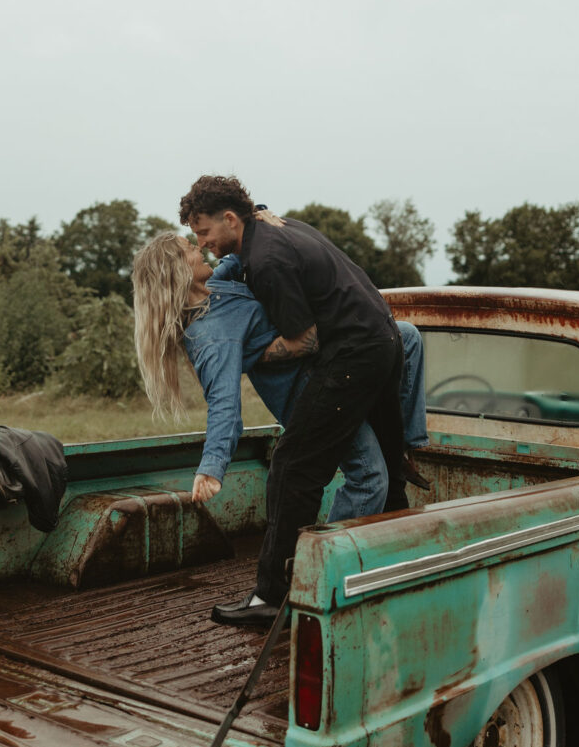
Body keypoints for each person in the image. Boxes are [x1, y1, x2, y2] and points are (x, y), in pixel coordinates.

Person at [133, 226, 427, 625]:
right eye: (190, 248)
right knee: (368, 476)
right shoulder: (208, 336)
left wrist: (261, 216)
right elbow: (222, 403)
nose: (200, 247)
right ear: (176, 272)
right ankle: (318, 576)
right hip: (311, 397)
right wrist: (212, 465)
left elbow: (247, 251)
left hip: (334, 372)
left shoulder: (220, 283)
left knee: (404, 335)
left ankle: (405, 446)